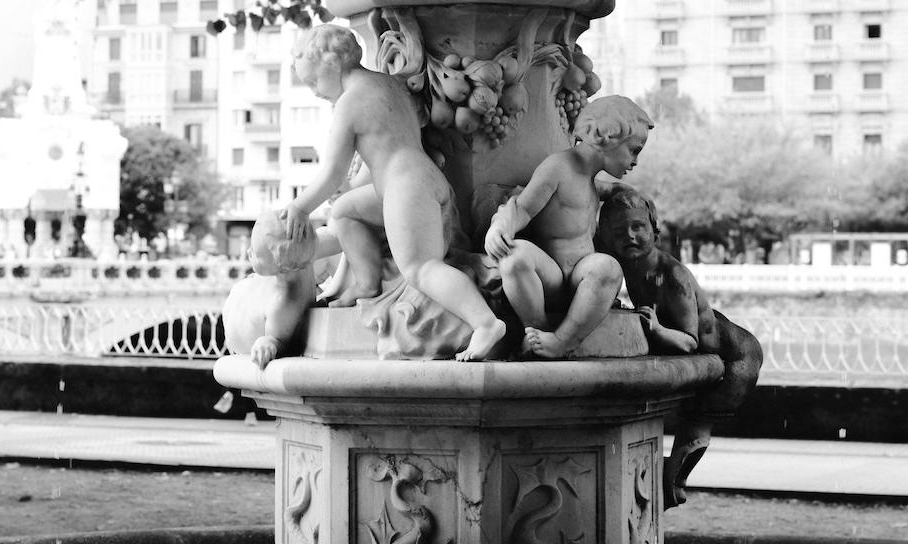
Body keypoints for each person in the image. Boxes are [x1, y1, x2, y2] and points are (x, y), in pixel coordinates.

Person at [282, 24, 506, 362]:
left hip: (407, 188)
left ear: (331, 64)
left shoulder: (349, 104)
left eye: (313, 81)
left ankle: (485, 323)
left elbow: (332, 173)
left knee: (421, 268)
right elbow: (381, 147)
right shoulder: (387, 84)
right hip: (419, 178)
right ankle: (368, 284)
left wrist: (300, 207)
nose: (314, 91)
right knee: (344, 211)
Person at [596, 184, 763, 509]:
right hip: (713, 340)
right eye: (619, 230)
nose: (629, 235)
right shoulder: (625, 261)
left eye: (638, 227)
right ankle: (661, 494)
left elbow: (689, 342)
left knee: (694, 431)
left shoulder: (670, 276)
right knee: (680, 440)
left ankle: (672, 487)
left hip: (738, 356)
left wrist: (656, 329)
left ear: (654, 230)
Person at [483, 95, 653, 359]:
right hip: (549, 278)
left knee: (607, 268)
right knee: (514, 257)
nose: (635, 161)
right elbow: (524, 207)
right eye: (634, 150)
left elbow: (611, 189)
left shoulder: (591, 180)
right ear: (607, 136)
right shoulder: (558, 167)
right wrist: (499, 227)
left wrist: (633, 195)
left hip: (582, 279)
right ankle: (536, 330)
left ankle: (563, 341)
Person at [222, 207, 340, 368]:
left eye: (255, 254)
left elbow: (338, 239)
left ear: (281, 267)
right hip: (241, 333)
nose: (249, 252)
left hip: (242, 305)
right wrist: (269, 343)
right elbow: (280, 340)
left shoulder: (285, 296)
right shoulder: (283, 300)